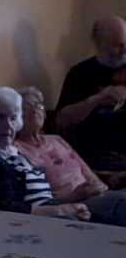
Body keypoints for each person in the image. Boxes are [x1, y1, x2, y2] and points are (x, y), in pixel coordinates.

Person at [0, 86, 91, 220]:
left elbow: (43, 197)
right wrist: (60, 210)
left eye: (13, 118)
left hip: (52, 210)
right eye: (0, 117)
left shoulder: (12, 152)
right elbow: (3, 207)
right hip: (32, 220)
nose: (9, 126)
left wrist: (69, 205)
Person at [15, 86, 126, 226]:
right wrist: (75, 196)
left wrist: (99, 185)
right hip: (71, 203)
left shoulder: (56, 139)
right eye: (27, 107)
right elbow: (38, 198)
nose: (36, 110)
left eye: (39, 106)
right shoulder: (16, 149)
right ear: (16, 116)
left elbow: (88, 173)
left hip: (95, 195)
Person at [55, 16, 126, 171]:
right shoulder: (80, 74)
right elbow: (61, 120)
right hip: (94, 158)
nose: (124, 50)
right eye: (118, 45)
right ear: (99, 43)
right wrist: (97, 99)